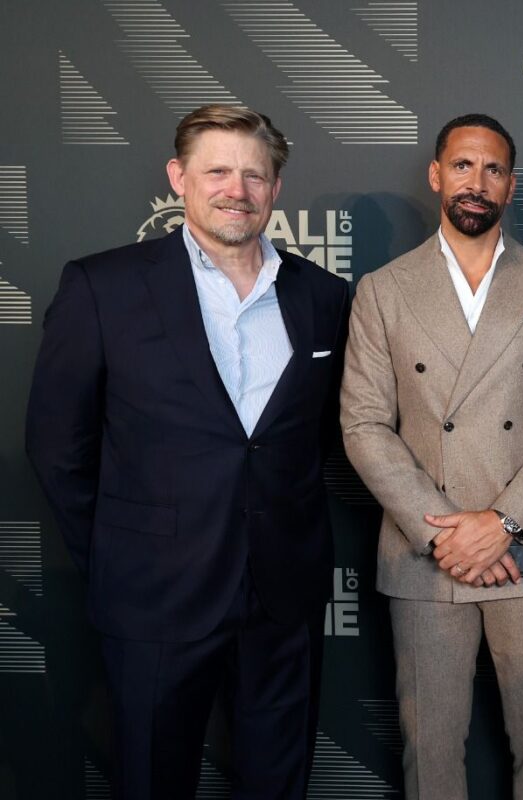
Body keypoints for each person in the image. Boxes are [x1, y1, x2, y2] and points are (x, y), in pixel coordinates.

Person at [26, 104, 350, 798]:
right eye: (218, 172)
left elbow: (323, 436)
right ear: (179, 178)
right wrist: (119, 554)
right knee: (151, 781)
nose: (238, 189)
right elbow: (57, 447)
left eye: (255, 175)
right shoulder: (103, 286)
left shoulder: (324, 297)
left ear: (276, 189)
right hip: (153, 599)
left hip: (281, 599)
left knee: (278, 782)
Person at [340, 113, 523, 800]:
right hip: (428, 553)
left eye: (491, 170)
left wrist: (504, 523)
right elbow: (365, 425)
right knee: (430, 752)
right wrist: (445, 532)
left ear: (510, 186)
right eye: (462, 166)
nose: (475, 183)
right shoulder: (383, 289)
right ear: (436, 176)